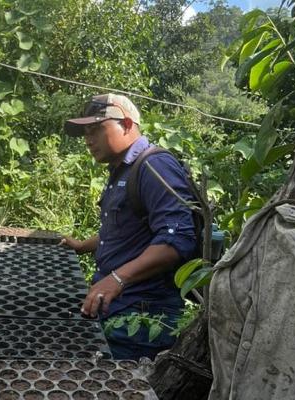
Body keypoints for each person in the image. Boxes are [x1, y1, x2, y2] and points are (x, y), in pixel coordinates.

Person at [61, 93, 197, 360]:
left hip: (143, 317)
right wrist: (82, 246)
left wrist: (118, 278)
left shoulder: (154, 166)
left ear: (125, 124)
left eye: (96, 129)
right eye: (85, 132)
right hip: (119, 309)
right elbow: (121, 230)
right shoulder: (123, 169)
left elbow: (176, 239)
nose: (88, 140)